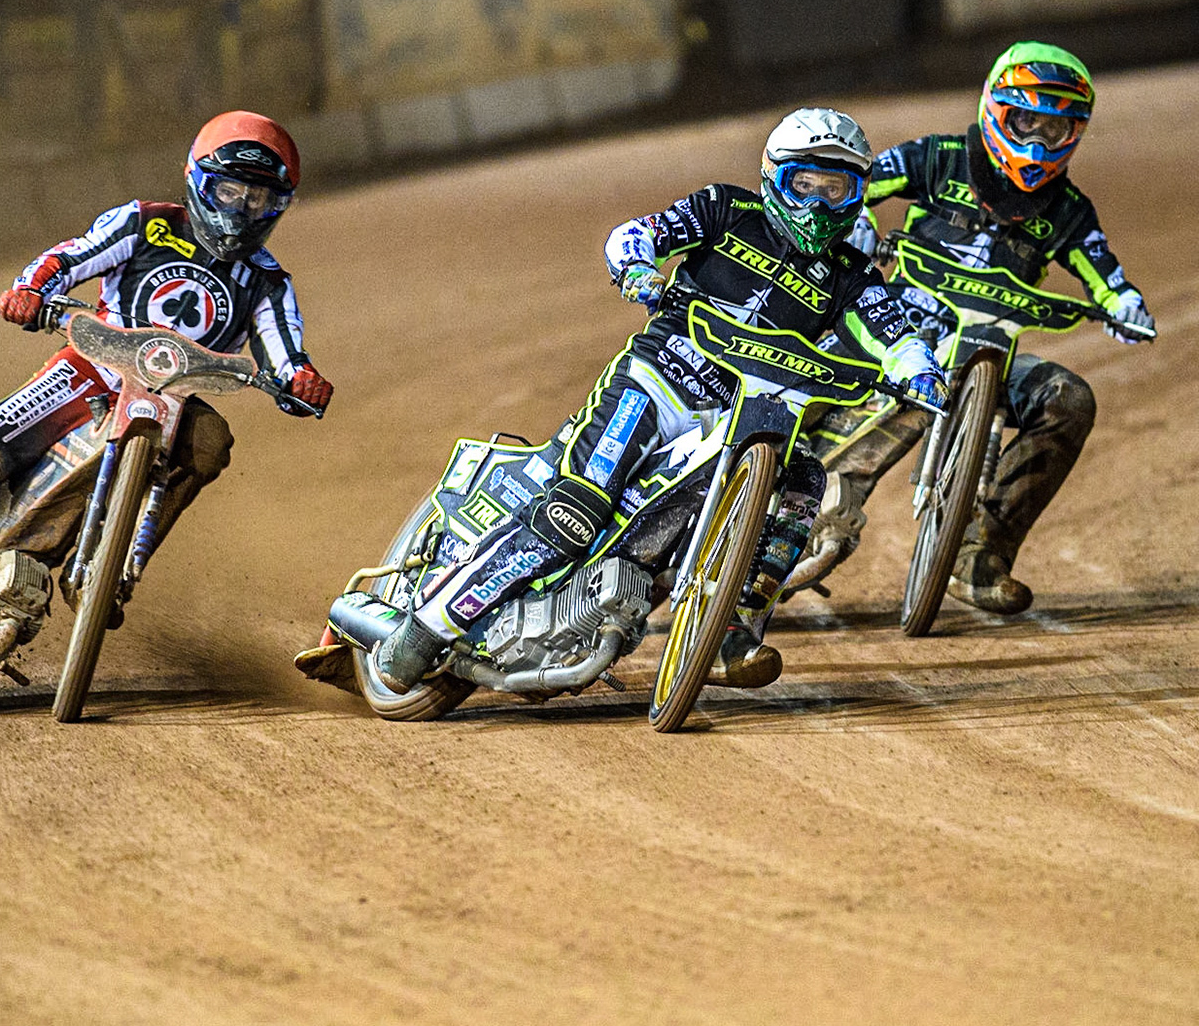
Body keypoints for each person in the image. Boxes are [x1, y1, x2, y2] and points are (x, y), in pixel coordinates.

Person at [372, 108, 946, 694]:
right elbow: (635, 235)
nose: (819, 206)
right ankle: (423, 630)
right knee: (575, 513)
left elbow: (892, 332)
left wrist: (919, 370)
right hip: (658, 381)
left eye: (836, 189)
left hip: (741, 416)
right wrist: (639, 270)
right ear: (774, 176)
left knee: (803, 481)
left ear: (858, 195)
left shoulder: (851, 273)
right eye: (806, 185)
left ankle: (732, 630)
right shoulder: (726, 209)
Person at [0, 111, 333, 668]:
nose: (242, 212)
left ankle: (113, 568)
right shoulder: (144, 224)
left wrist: (301, 382)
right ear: (198, 180)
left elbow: (285, 352)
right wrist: (30, 290)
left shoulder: (268, 282)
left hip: (170, 401)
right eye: (230, 191)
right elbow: (67, 258)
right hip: (85, 372)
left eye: (260, 199)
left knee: (211, 440)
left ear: (278, 206)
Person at [808, 43, 1153, 614]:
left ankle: (977, 558)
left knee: (1068, 400)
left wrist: (1125, 302)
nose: (1039, 141)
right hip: (889, 329)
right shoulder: (939, 157)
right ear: (996, 110)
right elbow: (852, 185)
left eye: (1056, 127)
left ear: (1077, 132)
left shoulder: (1068, 210)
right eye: (1027, 121)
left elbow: (1104, 273)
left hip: (988, 349)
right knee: (800, 365)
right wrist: (857, 220)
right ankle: (752, 501)